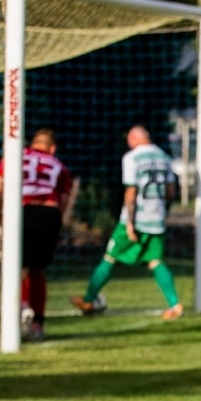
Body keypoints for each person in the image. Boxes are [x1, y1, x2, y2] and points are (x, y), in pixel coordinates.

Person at [71, 126, 183, 320]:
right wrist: (161, 211)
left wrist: (130, 223)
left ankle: (89, 299)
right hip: (156, 217)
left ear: (133, 139)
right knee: (155, 261)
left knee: (110, 256)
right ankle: (175, 304)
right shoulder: (164, 157)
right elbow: (171, 191)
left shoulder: (132, 158)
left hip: (136, 217)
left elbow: (131, 192)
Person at [0, 128, 74, 342]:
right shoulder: (59, 166)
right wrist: (57, 223)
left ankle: (18, 311)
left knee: (16, 266)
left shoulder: (13, 157)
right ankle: (37, 325)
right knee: (37, 269)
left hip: (22, 211)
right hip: (49, 213)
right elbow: (63, 201)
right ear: (52, 148)